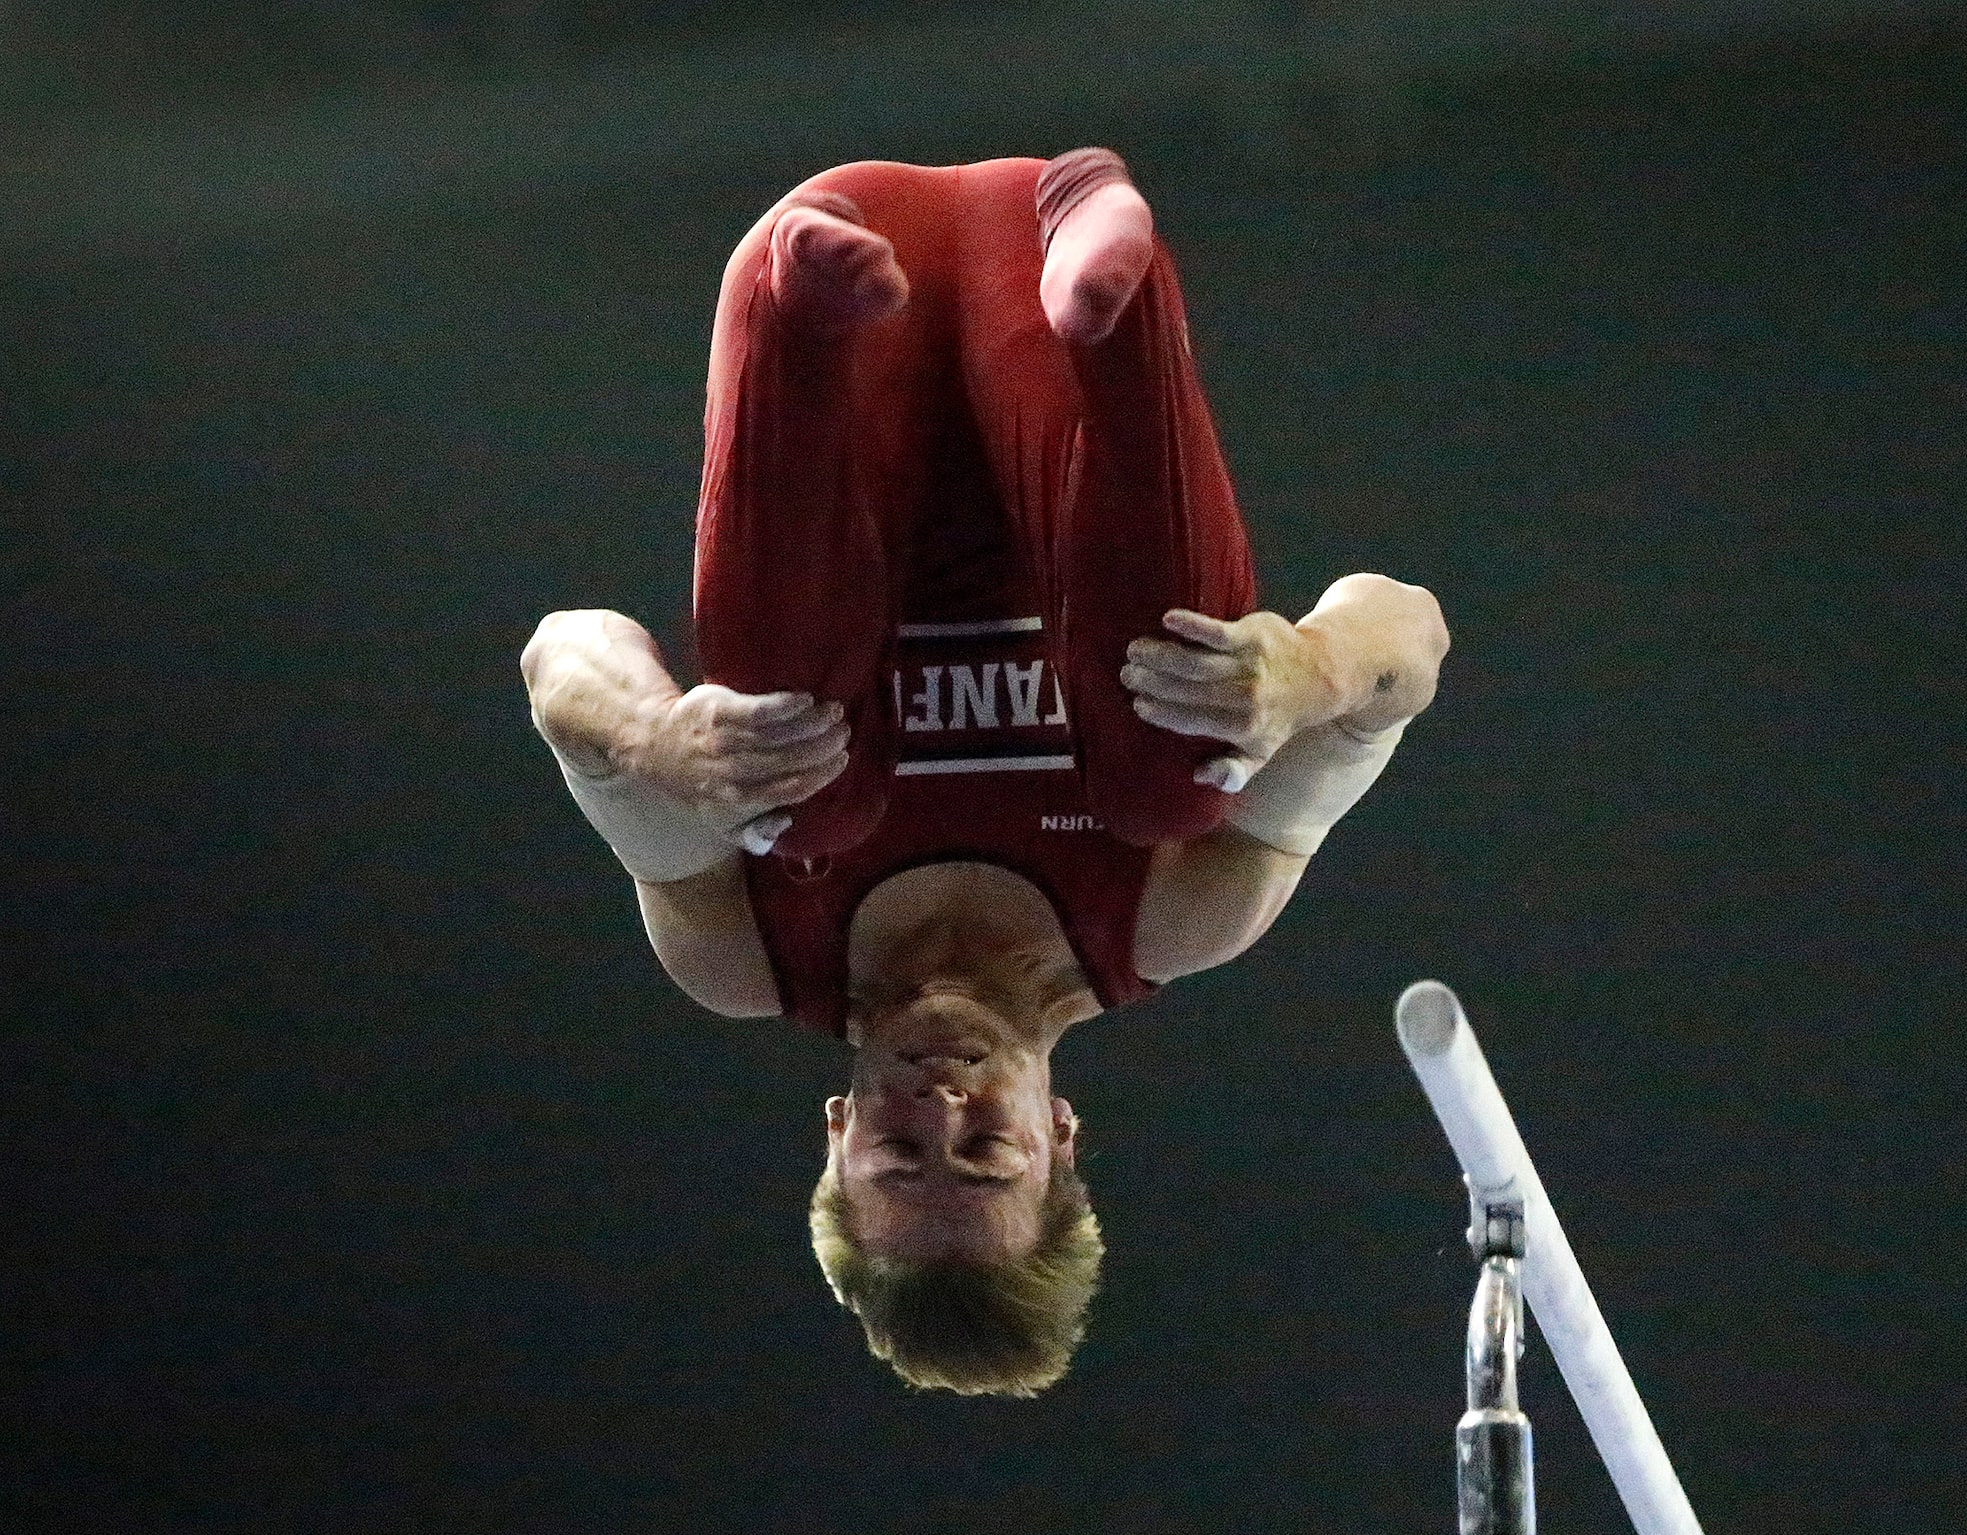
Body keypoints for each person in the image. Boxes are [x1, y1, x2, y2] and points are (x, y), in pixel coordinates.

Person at [520, 150, 1447, 1397]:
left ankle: (784, 315)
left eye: (904, 1155)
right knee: (1174, 780)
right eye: (985, 1152)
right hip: (1045, 298)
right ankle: (1125, 307)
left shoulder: (746, 951)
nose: (942, 1105)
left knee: (788, 795)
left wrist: (653, 741)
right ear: (1059, 1137)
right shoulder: (1174, 915)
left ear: (838, 1137)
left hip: (853, 298)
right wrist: (1309, 674)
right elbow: (1409, 632)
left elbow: (560, 655)